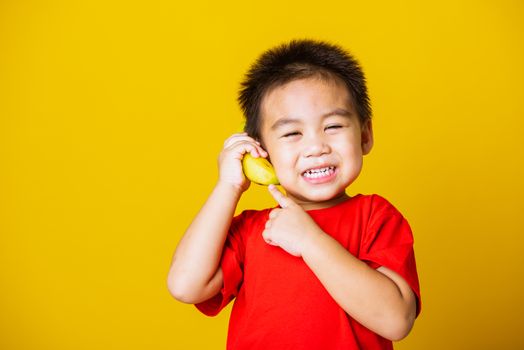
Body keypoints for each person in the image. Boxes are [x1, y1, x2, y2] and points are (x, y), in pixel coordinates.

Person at [167, 39, 421, 349]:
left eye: (333, 126)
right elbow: (184, 285)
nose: (316, 147)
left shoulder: (375, 216)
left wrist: (309, 240)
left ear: (365, 135)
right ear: (260, 152)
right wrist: (228, 187)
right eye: (292, 133)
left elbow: (396, 319)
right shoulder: (252, 230)